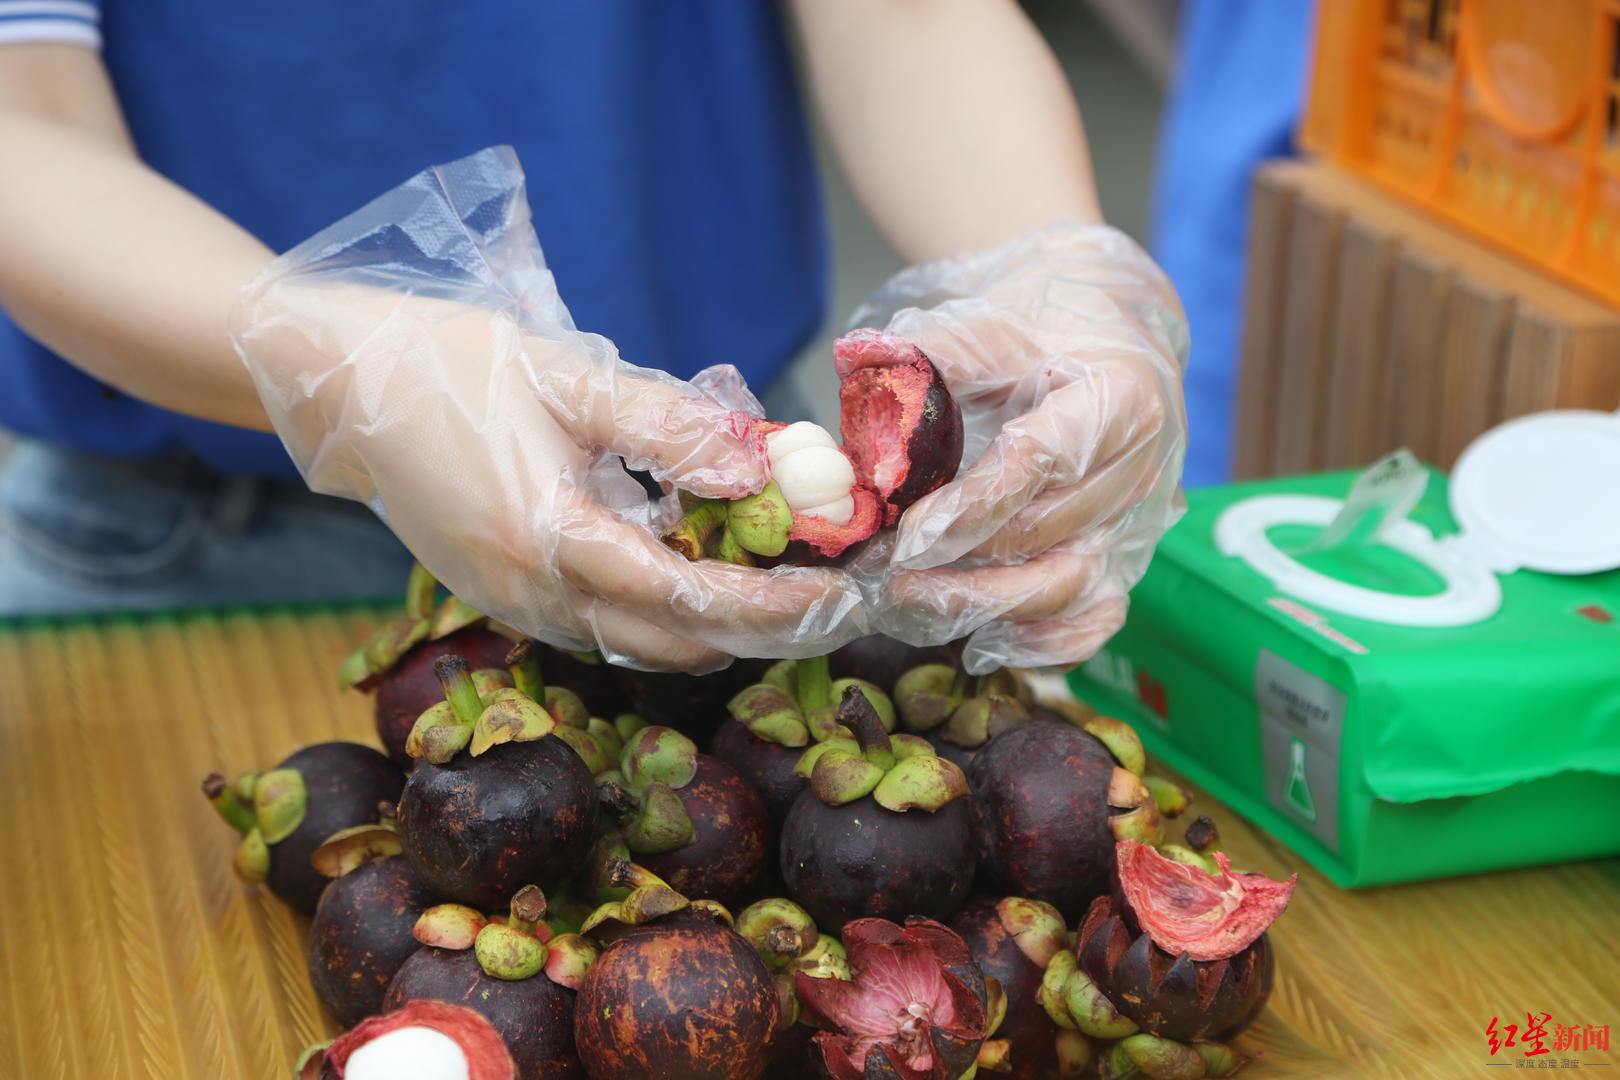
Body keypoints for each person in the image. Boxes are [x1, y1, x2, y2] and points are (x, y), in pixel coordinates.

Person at [0, 0, 1186, 673]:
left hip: (721, 536)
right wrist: (341, 367)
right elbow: (24, 114)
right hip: (185, 556)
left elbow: (904, 19)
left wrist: (1055, 267)